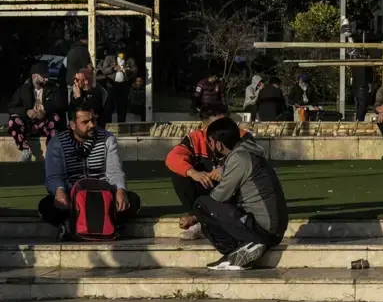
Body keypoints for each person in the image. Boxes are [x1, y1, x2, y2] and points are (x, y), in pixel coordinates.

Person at [194, 117, 288, 271]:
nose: (209, 146)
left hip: (264, 230)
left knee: (202, 204)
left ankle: (234, 251)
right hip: (272, 230)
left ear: (218, 144)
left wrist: (194, 217)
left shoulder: (239, 158)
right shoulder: (247, 152)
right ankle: (246, 246)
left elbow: (219, 197)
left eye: (210, 142)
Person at [39, 103, 140, 238]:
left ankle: (99, 225)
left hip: (102, 198)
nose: (92, 125)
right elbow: (54, 175)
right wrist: (59, 190)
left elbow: (114, 171)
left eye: (93, 120)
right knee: (46, 205)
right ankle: (75, 224)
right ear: (72, 125)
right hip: (73, 200)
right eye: (85, 122)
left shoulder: (108, 139)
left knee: (132, 200)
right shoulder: (57, 143)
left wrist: (120, 190)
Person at [165, 103, 243, 240]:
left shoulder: (240, 135)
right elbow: (172, 157)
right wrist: (193, 173)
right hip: (208, 186)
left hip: (232, 190)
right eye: (216, 125)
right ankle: (199, 217)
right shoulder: (195, 138)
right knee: (180, 171)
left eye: (225, 123)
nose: (222, 129)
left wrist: (225, 169)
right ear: (205, 127)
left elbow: (255, 156)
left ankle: (199, 219)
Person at [8, 61, 67, 162]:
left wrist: (45, 111)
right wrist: (26, 112)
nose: (47, 78)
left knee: (55, 117)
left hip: (45, 124)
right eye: (43, 76)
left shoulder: (53, 88)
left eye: (47, 76)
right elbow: (11, 108)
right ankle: (25, 150)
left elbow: (60, 105)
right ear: (34, 76)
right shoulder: (23, 89)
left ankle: (51, 151)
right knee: (13, 120)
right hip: (28, 125)